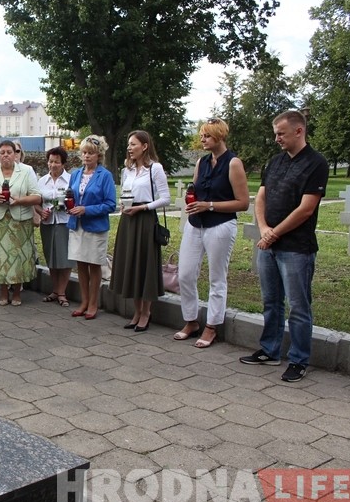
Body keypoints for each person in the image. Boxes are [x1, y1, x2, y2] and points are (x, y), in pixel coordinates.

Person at [239, 110, 328, 383]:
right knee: (271, 301)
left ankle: (299, 359)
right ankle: (270, 350)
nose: (276, 138)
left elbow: (305, 209)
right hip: (270, 244)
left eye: (281, 133)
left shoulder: (316, 164)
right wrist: (264, 229)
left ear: (299, 131)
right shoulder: (274, 162)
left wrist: (273, 234)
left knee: (298, 306)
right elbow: (261, 196)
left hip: (296, 248)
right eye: (276, 133)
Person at [174, 119, 249, 348]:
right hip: (196, 223)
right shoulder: (202, 162)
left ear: (219, 136)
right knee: (185, 274)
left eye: (206, 135)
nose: (202, 139)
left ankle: (212, 326)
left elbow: (243, 203)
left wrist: (210, 205)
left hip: (220, 224)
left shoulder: (233, 163)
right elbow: (196, 191)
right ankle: (191, 320)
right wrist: (193, 201)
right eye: (202, 135)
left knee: (217, 278)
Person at [110, 130, 170, 332]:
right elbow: (125, 193)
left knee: (145, 265)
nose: (129, 148)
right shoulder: (126, 170)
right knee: (131, 264)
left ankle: (146, 312)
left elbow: (165, 198)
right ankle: (136, 311)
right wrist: (122, 204)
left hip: (144, 220)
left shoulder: (155, 169)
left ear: (144, 146)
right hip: (128, 220)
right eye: (128, 144)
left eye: (133, 144)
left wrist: (143, 207)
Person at [0, 140, 42, 306]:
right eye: (2, 152)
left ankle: (17, 293)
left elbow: (37, 196)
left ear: (15, 154)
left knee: (19, 257)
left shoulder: (27, 171)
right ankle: (3, 292)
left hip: (20, 221)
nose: (5, 155)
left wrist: (19, 200)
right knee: (1, 258)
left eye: (9, 152)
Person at [66, 137, 116, 319]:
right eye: (84, 152)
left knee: (94, 265)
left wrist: (86, 210)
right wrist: (68, 205)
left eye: (91, 153)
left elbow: (111, 204)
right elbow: (70, 195)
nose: (86, 156)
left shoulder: (105, 176)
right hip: (77, 225)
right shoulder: (76, 174)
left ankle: (94, 303)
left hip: (95, 226)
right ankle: (84, 300)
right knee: (80, 264)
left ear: (99, 155)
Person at [36, 147, 73, 307]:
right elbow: (36, 203)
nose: (53, 165)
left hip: (64, 221)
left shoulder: (71, 180)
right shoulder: (41, 181)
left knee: (64, 257)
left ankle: (62, 292)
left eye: (57, 162)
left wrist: (67, 205)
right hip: (48, 223)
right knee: (51, 256)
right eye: (50, 161)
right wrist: (41, 212)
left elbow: (75, 200)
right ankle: (55, 290)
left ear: (63, 163)